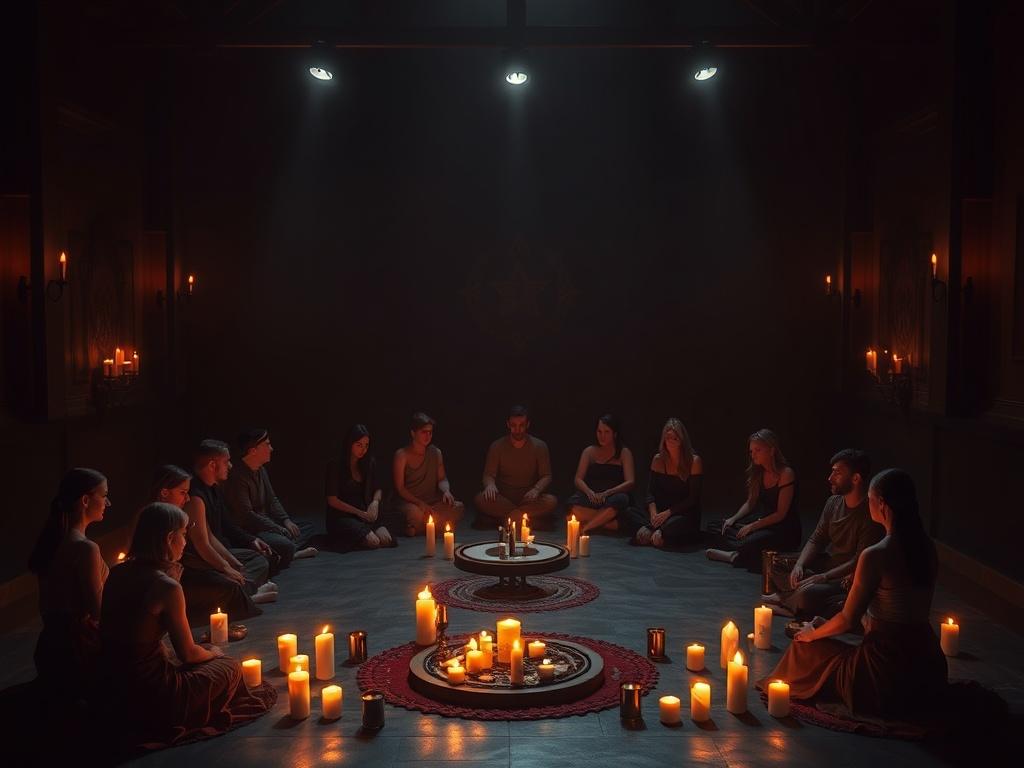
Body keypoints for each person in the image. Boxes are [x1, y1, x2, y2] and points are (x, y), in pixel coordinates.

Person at [757, 469, 947, 722]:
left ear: (881, 504)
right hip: (927, 663)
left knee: (803, 647)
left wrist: (813, 633)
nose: (868, 503)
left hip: (886, 667)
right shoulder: (927, 546)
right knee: (819, 628)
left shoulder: (877, 554)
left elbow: (848, 620)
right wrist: (827, 625)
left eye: (870, 498)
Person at [99, 502, 275, 748]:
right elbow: (188, 654)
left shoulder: (117, 572)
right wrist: (213, 653)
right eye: (183, 535)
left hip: (109, 682)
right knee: (230, 667)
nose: (185, 541)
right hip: (150, 691)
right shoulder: (166, 586)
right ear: (170, 538)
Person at [763, 449, 884, 618]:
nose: (830, 478)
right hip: (828, 565)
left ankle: (789, 601)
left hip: (846, 577)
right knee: (776, 564)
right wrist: (800, 565)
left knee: (809, 595)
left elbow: (858, 561)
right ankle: (793, 598)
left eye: (837, 473)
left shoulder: (868, 514)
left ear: (856, 478)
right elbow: (817, 538)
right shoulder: (833, 503)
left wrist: (824, 577)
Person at [154, 465, 274, 624]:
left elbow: (209, 536)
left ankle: (243, 593)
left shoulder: (183, 511)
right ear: (164, 492)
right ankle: (246, 595)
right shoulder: (153, 517)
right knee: (228, 586)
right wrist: (223, 568)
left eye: (187, 493)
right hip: (174, 579)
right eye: (182, 493)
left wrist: (230, 564)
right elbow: (197, 546)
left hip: (187, 570)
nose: (187, 498)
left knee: (253, 564)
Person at [27, 468, 110, 694]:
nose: (108, 503)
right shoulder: (85, 549)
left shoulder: (52, 542)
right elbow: (98, 612)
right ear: (85, 500)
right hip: (79, 652)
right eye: (103, 496)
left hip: (48, 649)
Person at [706, 428, 800, 569]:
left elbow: (780, 514)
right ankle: (741, 550)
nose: (753, 454)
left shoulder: (786, 473)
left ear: (772, 450)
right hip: (762, 523)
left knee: (749, 542)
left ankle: (734, 556)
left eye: (758, 450)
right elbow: (750, 502)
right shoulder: (758, 472)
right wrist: (733, 518)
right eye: (751, 451)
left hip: (782, 528)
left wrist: (752, 526)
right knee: (716, 527)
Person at [223, 428, 316, 568]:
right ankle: (291, 553)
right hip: (251, 530)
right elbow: (246, 515)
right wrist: (277, 528)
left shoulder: (260, 469)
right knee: (286, 544)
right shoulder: (237, 476)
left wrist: (286, 520)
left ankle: (285, 549)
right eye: (267, 444)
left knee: (307, 527)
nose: (271, 448)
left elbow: (272, 498)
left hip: (267, 523)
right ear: (253, 450)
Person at [474, 405, 557, 527]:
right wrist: (490, 485)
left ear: (528, 424)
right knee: (480, 499)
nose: (517, 429)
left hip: (528, 497)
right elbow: (488, 474)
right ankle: (523, 518)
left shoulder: (539, 446)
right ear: (508, 424)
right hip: (503, 498)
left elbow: (547, 475)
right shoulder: (497, 446)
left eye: (521, 425)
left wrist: (536, 489)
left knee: (551, 501)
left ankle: (507, 519)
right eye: (513, 425)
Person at [630, 418, 703, 547]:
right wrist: (654, 515)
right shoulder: (658, 460)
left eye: (675, 438)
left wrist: (668, 513)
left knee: (673, 525)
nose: (671, 442)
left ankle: (660, 533)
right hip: (661, 511)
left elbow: (692, 499)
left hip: (681, 512)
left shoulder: (694, 461)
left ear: (682, 440)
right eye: (668, 438)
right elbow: (650, 493)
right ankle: (657, 532)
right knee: (632, 515)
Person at [393, 412, 464, 536]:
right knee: (414, 514)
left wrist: (446, 491)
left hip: (433, 504)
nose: (428, 436)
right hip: (413, 504)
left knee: (458, 507)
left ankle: (419, 528)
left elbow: (442, 479)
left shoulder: (436, 453)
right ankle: (437, 526)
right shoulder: (402, 455)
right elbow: (400, 488)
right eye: (423, 432)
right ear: (413, 433)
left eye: (430, 432)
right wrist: (420, 503)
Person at [324, 424, 394, 550]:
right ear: (350, 444)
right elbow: (332, 500)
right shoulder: (335, 465)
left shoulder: (368, 462)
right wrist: (360, 513)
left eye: (366, 445)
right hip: (343, 516)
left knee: (386, 540)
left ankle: (365, 533)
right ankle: (346, 539)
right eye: (359, 445)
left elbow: (378, 487)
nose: (363, 449)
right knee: (374, 542)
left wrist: (375, 502)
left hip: (364, 513)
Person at [566, 414, 636, 534]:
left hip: (612, 496)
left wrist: (607, 493)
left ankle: (586, 527)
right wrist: (589, 492)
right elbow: (578, 479)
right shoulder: (589, 451)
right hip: (593, 496)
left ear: (615, 434)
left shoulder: (624, 453)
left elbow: (630, 482)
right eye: (599, 431)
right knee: (572, 505)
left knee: (621, 500)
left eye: (606, 432)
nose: (602, 436)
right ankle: (608, 523)